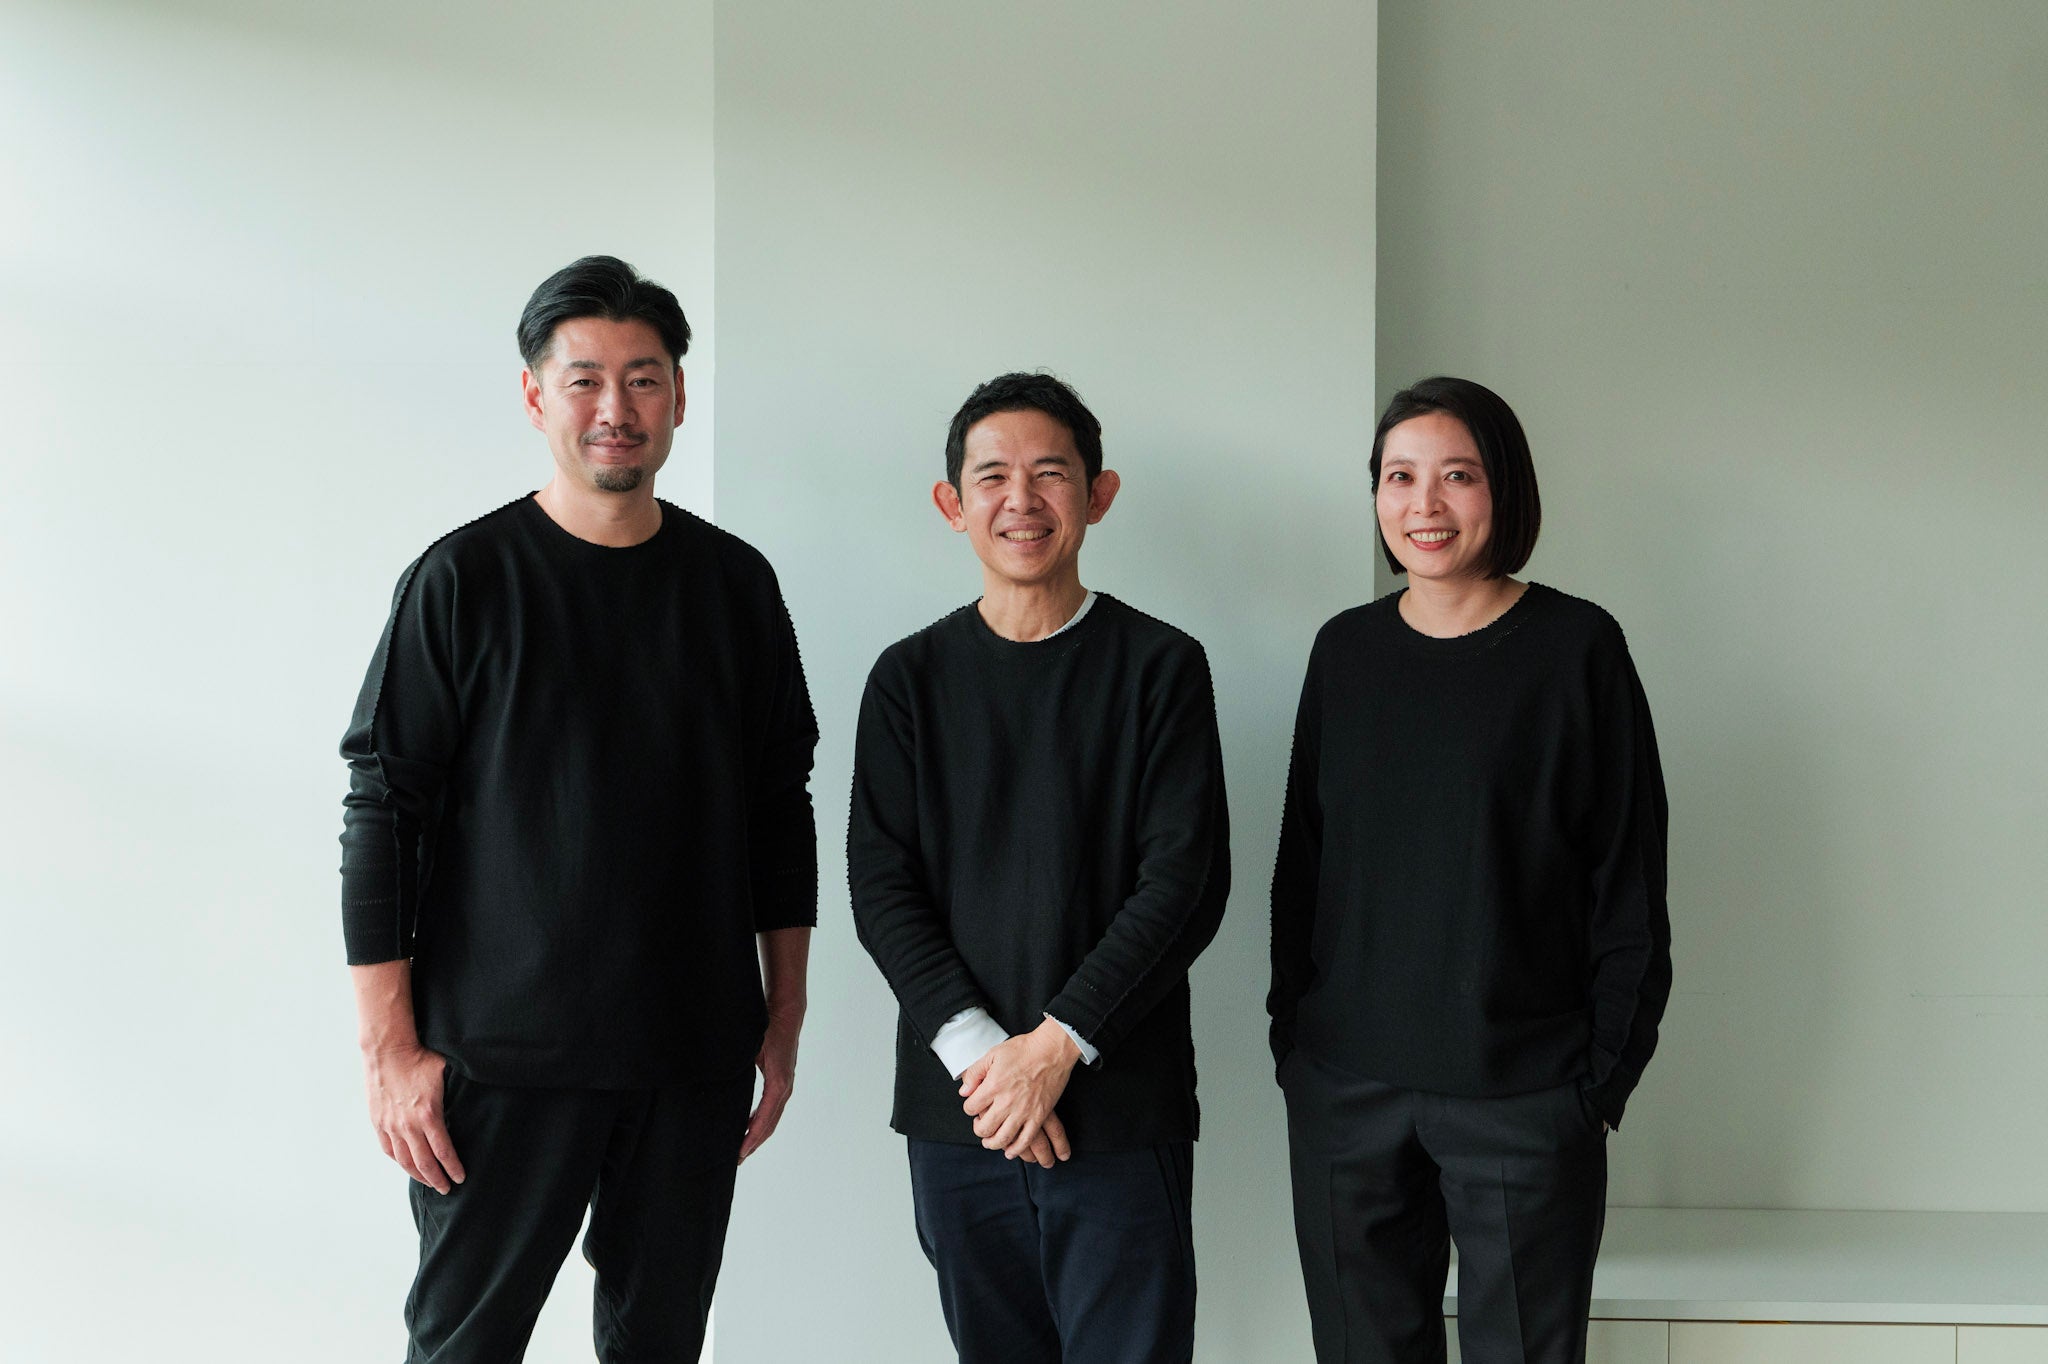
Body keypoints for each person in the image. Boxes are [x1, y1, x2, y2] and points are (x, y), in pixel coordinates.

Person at [337, 255, 818, 1362]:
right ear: (534, 396)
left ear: (679, 397)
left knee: (659, 1346)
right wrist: (388, 1050)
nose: (617, 409)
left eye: (644, 379)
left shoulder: (735, 586)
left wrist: (782, 1014)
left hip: (690, 1052)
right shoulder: (463, 580)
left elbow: (777, 806)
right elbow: (382, 813)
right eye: (585, 380)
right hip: (500, 1057)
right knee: (464, 1347)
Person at [1269, 376, 1671, 1364]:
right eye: (1399, 477)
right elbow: (1303, 869)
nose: (1425, 504)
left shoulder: (1577, 648)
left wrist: (1594, 1086)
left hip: (1523, 1093)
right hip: (1346, 1093)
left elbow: (1627, 882)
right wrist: (1297, 1047)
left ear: (1504, 489)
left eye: (1457, 475)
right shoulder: (1344, 651)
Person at [849, 372, 1230, 1364]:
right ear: (953, 503)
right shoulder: (907, 680)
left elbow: (1183, 883)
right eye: (992, 477)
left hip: (1118, 1109)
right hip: (962, 1115)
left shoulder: (1161, 667)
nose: (1020, 500)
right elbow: (881, 887)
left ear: (1098, 494)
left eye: (1049, 473)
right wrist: (990, 1062)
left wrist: (1055, 1049)